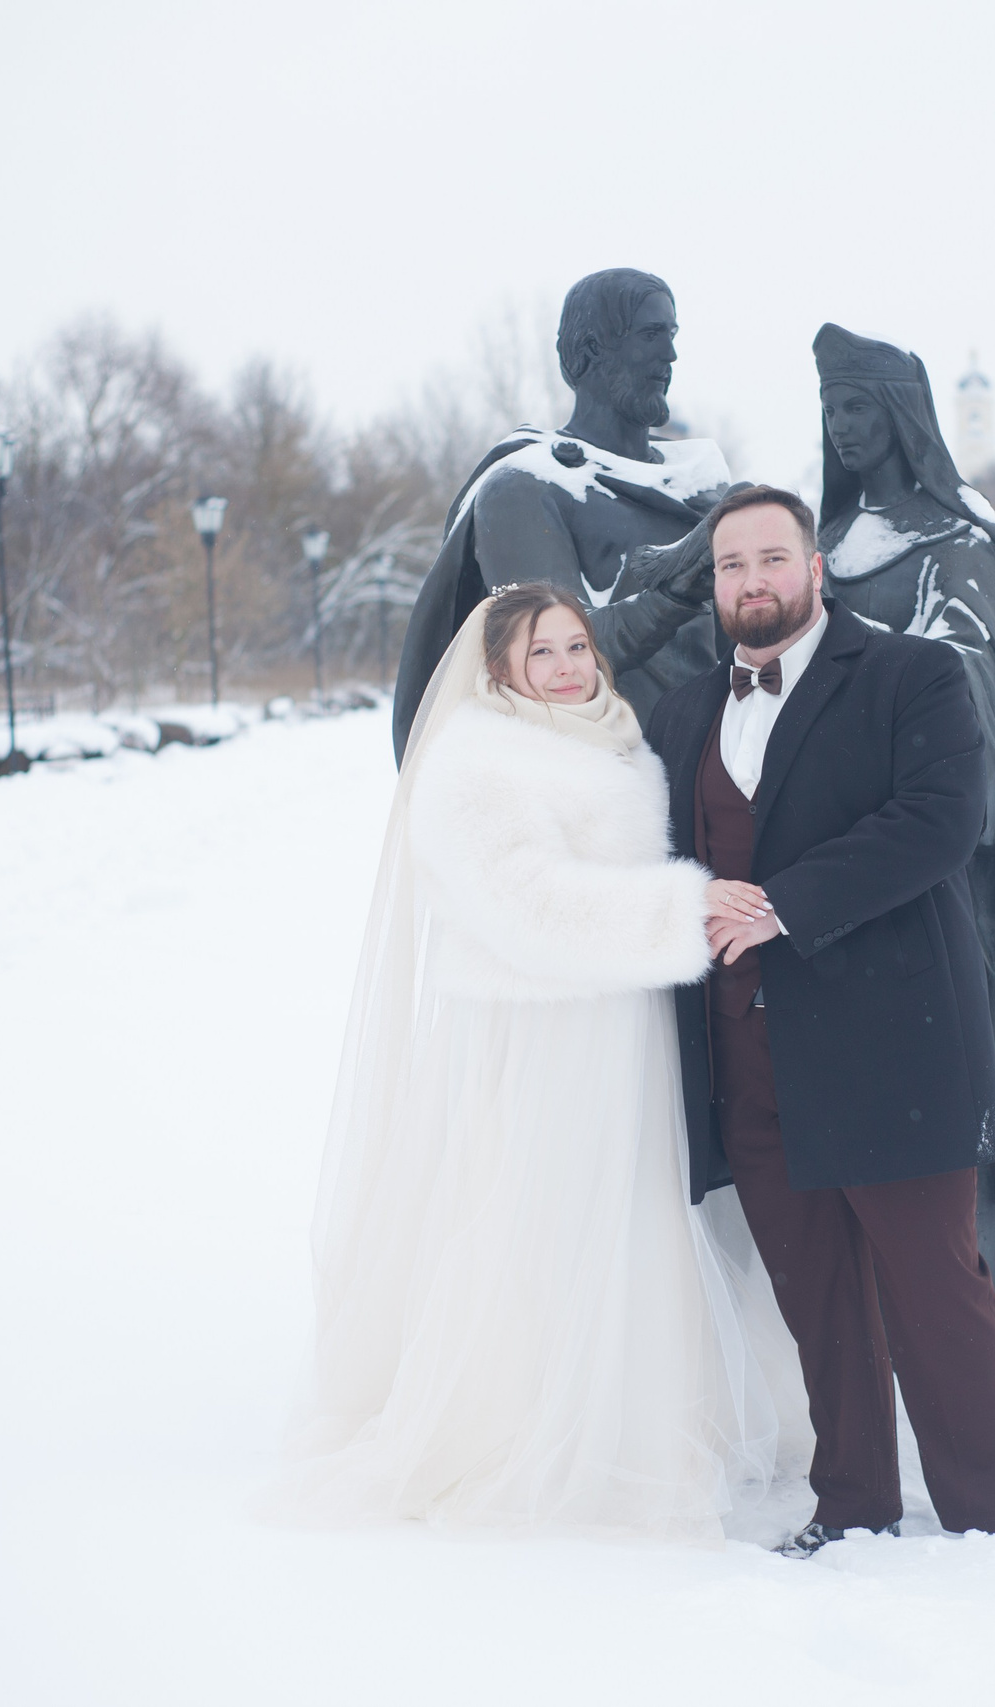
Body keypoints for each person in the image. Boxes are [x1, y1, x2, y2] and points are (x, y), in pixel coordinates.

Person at [289, 582, 793, 1541]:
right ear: (498, 669)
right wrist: (675, 911)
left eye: (577, 647)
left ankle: (632, 1415)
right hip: (542, 1032)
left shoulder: (613, 735)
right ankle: (524, 1428)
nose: (568, 668)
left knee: (629, 1214)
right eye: (543, 654)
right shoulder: (474, 763)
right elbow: (524, 900)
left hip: (623, 1027)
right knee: (541, 1220)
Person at [644, 483, 995, 1555]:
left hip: (895, 1049)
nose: (752, 580)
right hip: (748, 1059)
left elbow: (941, 824)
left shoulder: (913, 676)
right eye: (731, 566)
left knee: (935, 1297)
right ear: (713, 583)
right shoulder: (684, 713)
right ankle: (852, 1505)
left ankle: (983, 1525)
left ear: (815, 569)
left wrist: (778, 906)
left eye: (772, 558)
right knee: (818, 1304)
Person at [810, 323, 995, 1333]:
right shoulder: (824, 551)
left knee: (953, 1077)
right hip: (836, 873)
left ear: (902, 417)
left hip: (942, 873)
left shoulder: (955, 549)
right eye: (829, 409)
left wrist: (849, 661)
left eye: (858, 408)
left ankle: (969, 1282)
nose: (840, 429)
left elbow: (974, 707)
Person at [391, 269, 729, 761]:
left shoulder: (701, 485)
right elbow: (558, 656)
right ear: (590, 351)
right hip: (598, 783)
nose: (670, 356)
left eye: (672, 335)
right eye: (651, 335)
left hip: (714, 774)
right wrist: (678, 590)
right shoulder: (524, 488)